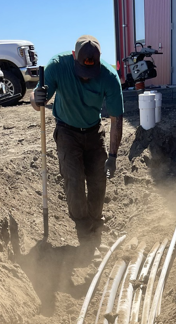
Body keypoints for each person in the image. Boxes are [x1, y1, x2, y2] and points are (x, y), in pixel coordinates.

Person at [30, 35, 123, 238]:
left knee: (98, 180)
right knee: (74, 182)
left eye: (91, 72)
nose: (86, 77)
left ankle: (96, 223)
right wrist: (36, 98)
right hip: (67, 132)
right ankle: (83, 229)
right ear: (74, 56)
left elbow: (116, 120)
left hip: (94, 131)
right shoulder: (57, 66)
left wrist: (113, 157)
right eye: (82, 71)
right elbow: (36, 103)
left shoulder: (109, 77)